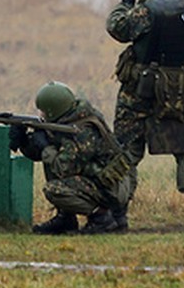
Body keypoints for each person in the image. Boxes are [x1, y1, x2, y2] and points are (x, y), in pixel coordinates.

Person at [106, 0, 184, 227]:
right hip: (176, 90)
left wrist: (125, 1)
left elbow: (118, 28)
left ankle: (117, 215)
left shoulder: (147, 10)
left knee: (126, 151)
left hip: (139, 90)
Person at [10, 81, 134, 235]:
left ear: (53, 110)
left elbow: (63, 167)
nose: (40, 115)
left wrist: (45, 147)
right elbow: (44, 154)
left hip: (113, 186)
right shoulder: (69, 120)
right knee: (53, 155)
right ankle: (66, 219)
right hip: (102, 180)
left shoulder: (83, 131)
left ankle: (101, 219)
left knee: (55, 190)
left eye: (43, 111)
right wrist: (24, 142)